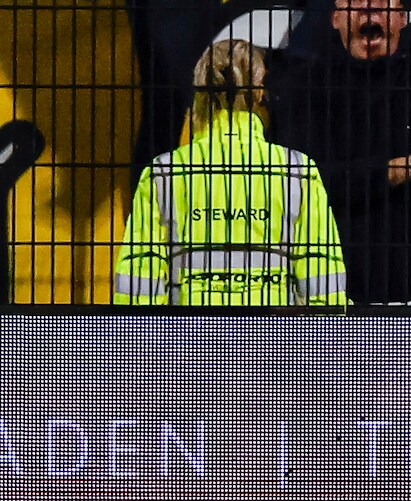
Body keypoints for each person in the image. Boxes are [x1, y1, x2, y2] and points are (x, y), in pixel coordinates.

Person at [114, 40, 347, 307]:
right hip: (271, 329)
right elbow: (320, 267)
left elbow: (141, 273)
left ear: (199, 90)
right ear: (259, 92)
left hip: (192, 328)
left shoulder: (164, 173)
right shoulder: (296, 170)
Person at [267, 0, 411, 305]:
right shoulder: (307, 89)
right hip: (341, 291)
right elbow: (307, 181)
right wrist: (403, 167)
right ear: (335, 19)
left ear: (403, 17)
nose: (369, 7)